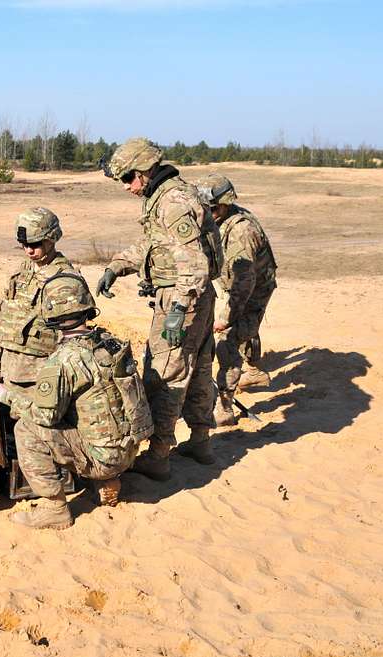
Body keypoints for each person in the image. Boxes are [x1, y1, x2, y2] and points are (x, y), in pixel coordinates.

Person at [96, 138, 222, 480]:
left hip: (183, 298)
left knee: (165, 374)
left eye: (128, 179)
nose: (125, 187)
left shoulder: (173, 202)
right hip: (192, 297)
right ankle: (200, 441)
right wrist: (118, 265)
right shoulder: (162, 196)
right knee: (196, 370)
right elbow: (154, 245)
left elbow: (194, 264)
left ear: (146, 171)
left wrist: (178, 310)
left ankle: (159, 455)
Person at [0, 273, 152, 528]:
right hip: (129, 451)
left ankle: (56, 508)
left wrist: (6, 395)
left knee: (26, 428)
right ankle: (106, 479)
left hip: (102, 458)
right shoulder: (110, 342)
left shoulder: (64, 361)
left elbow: (45, 416)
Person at [195, 173, 277, 425]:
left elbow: (245, 284)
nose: (208, 212)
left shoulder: (241, 231)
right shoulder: (220, 220)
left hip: (253, 291)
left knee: (228, 342)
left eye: (213, 208)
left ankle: (225, 408)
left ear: (226, 203)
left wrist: (225, 318)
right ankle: (254, 370)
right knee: (247, 330)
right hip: (242, 287)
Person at [0, 207, 81, 405]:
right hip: (9, 371)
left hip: (40, 379)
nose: (29, 250)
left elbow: (74, 340)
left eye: (35, 244)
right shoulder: (22, 272)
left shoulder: (65, 282)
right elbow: (7, 319)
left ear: (51, 238)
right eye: (24, 244)